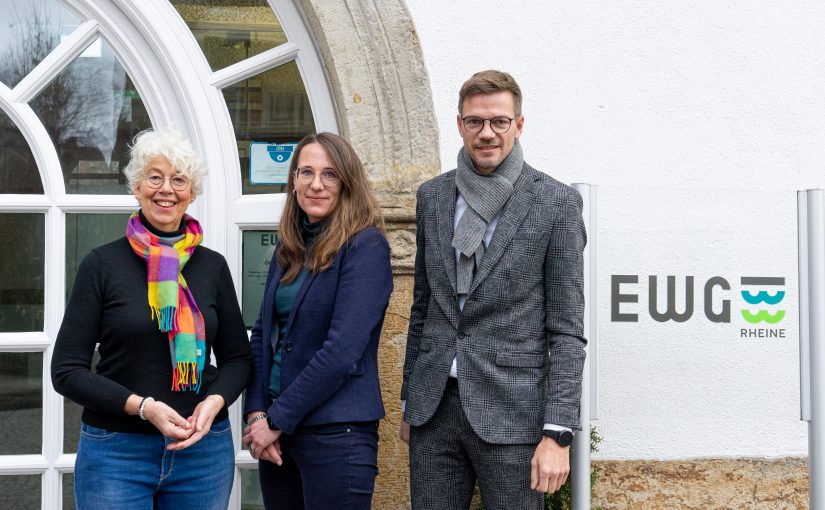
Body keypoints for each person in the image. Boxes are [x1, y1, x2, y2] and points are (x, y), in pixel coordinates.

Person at [399, 70, 587, 510]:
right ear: (460, 123)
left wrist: (557, 432)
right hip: (434, 411)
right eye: (475, 122)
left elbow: (566, 330)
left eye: (499, 122)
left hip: (515, 418)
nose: (487, 133)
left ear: (519, 125)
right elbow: (423, 306)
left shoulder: (555, 203)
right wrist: (411, 395)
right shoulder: (433, 197)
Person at [51, 127, 252, 510]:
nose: (166, 189)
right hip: (117, 452)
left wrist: (214, 402)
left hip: (202, 451)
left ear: (192, 193)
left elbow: (238, 359)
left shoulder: (212, 267)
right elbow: (67, 370)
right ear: (137, 187)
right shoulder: (101, 265)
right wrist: (144, 407)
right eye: (154, 177)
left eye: (179, 180)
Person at [242, 132, 393, 510]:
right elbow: (263, 335)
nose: (316, 184)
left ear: (347, 183)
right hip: (279, 434)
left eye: (329, 174)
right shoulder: (289, 247)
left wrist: (276, 418)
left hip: (335, 434)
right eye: (306, 172)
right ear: (292, 180)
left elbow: (341, 352)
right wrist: (258, 411)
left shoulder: (365, 247)